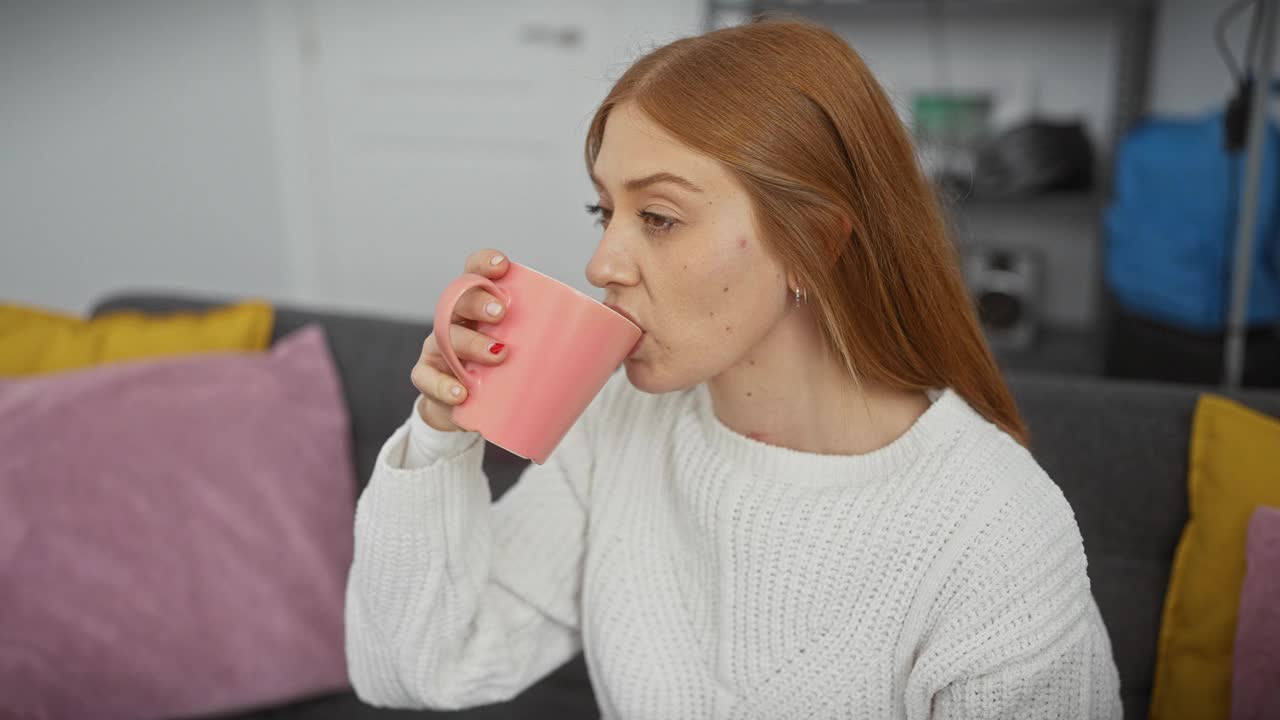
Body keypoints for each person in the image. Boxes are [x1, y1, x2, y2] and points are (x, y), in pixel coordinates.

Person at [344, 18, 1122, 719]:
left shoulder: (994, 533)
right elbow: (421, 667)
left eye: (658, 217)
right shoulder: (619, 425)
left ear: (815, 241)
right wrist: (443, 434)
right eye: (603, 212)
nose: (602, 260)